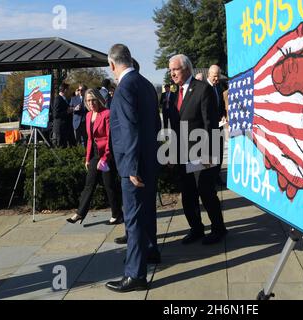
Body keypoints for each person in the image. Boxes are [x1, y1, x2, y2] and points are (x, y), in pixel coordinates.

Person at [105, 44, 161, 293]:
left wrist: (131, 167)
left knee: (134, 218)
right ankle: (151, 251)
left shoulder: (125, 87)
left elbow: (128, 129)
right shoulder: (146, 84)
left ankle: (135, 274)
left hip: (135, 164)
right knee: (147, 210)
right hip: (149, 159)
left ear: (112, 64)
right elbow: (155, 124)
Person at [168, 54, 227, 245]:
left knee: (206, 192)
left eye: (175, 69)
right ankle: (196, 228)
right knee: (188, 194)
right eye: (170, 70)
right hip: (182, 153)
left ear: (186, 68)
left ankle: (218, 228)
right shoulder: (173, 94)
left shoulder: (203, 90)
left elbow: (209, 124)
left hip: (201, 151)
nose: (172, 73)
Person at [66, 88, 123, 225]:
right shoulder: (88, 115)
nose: (91, 103)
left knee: (109, 185)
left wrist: (105, 158)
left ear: (99, 99)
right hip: (95, 154)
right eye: (88, 100)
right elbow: (90, 139)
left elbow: (110, 138)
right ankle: (80, 213)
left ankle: (117, 215)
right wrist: (87, 158)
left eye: (93, 100)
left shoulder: (107, 114)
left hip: (107, 155)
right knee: (89, 184)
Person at [207, 65, 226, 186]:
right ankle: (211, 177)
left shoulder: (219, 87)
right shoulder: (203, 88)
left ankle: (217, 175)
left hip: (219, 125)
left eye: (218, 76)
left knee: (219, 151)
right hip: (208, 127)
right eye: (214, 76)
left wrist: (224, 114)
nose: (217, 79)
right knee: (211, 152)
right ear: (209, 74)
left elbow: (222, 104)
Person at [52, 82, 73, 148]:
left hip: (65, 128)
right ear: (65, 90)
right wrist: (67, 112)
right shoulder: (58, 99)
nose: (69, 91)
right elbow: (55, 114)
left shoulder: (64, 99)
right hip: (60, 128)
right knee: (60, 147)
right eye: (68, 89)